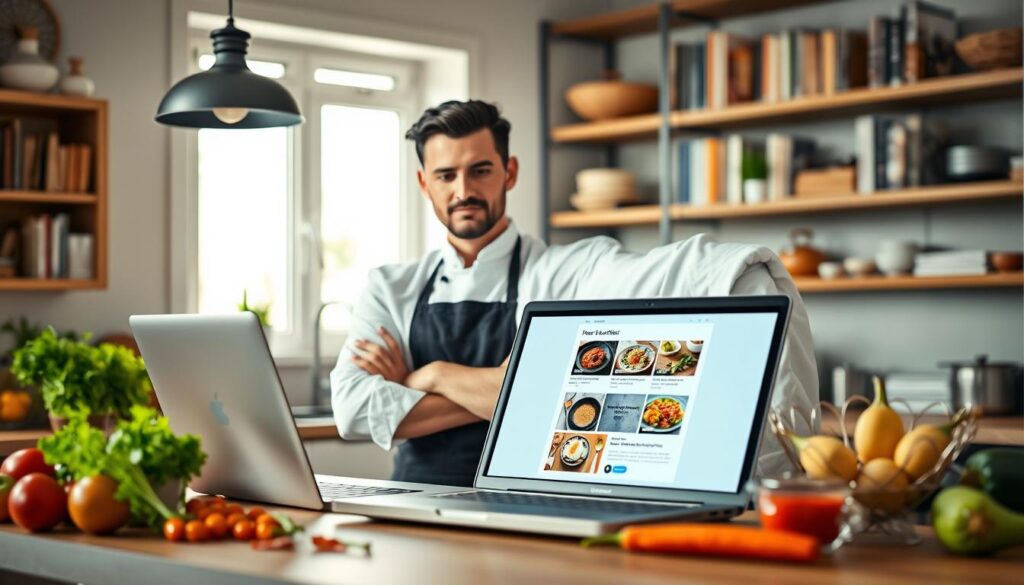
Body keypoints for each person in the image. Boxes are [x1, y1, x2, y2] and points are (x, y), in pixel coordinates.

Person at [331, 100, 818, 487]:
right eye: (445, 175)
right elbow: (353, 412)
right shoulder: (390, 285)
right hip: (414, 498)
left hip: (523, 499)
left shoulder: (573, 268)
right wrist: (514, 387)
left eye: (480, 169)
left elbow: (687, 270)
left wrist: (427, 375)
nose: (464, 190)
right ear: (424, 183)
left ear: (510, 172)